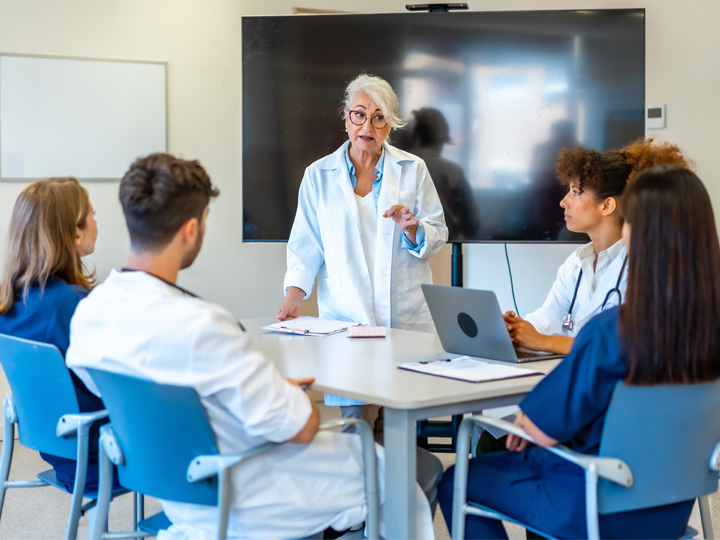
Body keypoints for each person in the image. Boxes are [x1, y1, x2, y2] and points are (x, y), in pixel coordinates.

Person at [65, 153, 436, 539]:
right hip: (253, 494)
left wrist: (260, 391)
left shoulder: (90, 317)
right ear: (191, 230)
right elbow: (303, 427)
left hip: (180, 494)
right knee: (413, 471)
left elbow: (154, 400)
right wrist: (283, 393)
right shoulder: (204, 326)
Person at [438, 164, 720, 539]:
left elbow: (539, 428)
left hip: (592, 505)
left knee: (458, 478)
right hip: (669, 510)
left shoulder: (613, 331)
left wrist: (529, 421)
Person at [504, 138, 690, 356]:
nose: (563, 202)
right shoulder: (575, 263)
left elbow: (628, 346)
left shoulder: (648, 265)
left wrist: (543, 342)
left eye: (575, 192)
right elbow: (549, 318)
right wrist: (515, 330)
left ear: (607, 205)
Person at [0, 177, 105, 492]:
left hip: (57, 450)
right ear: (75, 232)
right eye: (92, 215)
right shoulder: (75, 305)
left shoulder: (10, 301)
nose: (96, 223)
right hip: (97, 459)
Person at [401, 107, 480, 240]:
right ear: (443, 138)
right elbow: (473, 223)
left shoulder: (399, 168)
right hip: (449, 249)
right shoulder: (453, 172)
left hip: (407, 247)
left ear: (414, 136)